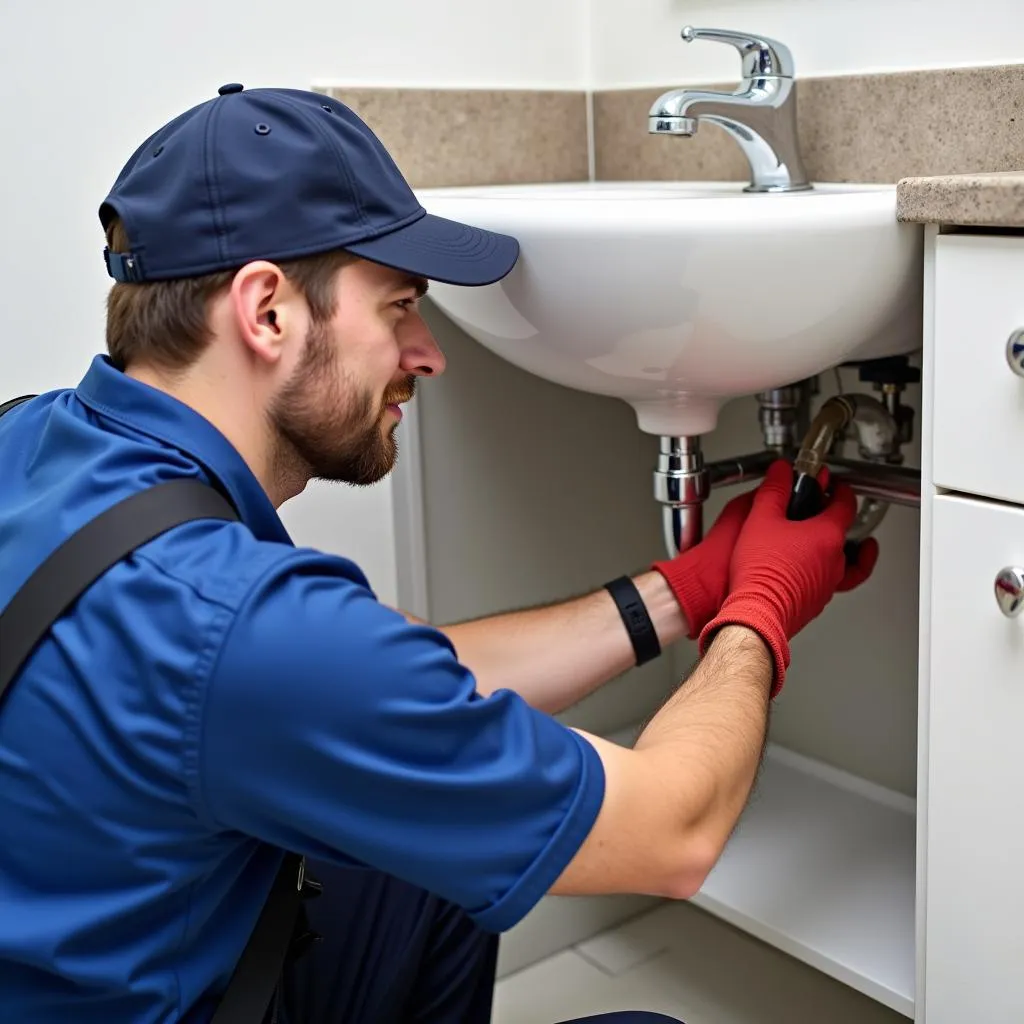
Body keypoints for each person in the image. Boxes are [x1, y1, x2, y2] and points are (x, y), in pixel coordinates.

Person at [0, 84, 878, 1024]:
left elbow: (387, 692)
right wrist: (763, 608)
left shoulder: (36, 440)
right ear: (266, 312)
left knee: (410, 851)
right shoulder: (234, 626)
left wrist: (688, 588)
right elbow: (675, 830)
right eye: (398, 307)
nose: (429, 353)